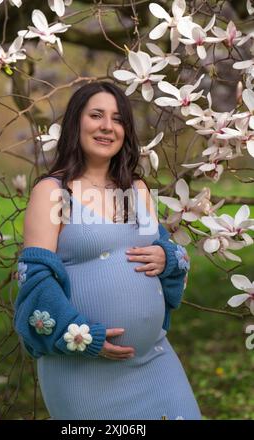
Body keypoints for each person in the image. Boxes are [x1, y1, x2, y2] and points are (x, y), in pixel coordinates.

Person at [14, 81, 201, 420]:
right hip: (83, 370)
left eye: (117, 119)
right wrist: (85, 338)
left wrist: (166, 257)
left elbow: (162, 251)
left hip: (154, 359)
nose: (106, 126)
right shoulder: (54, 192)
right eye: (96, 115)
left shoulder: (136, 188)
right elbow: (35, 280)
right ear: (76, 123)